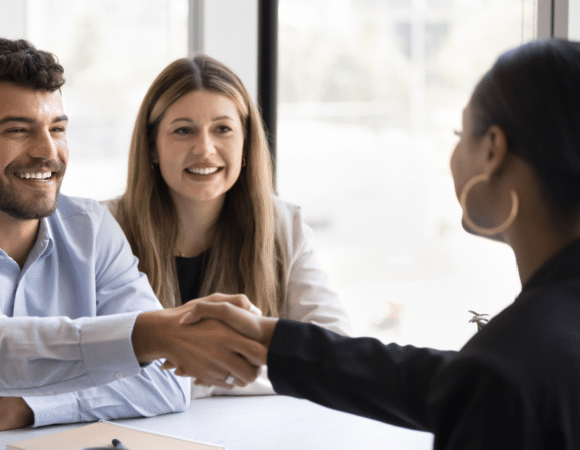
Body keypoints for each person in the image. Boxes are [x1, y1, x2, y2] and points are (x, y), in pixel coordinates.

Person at [0, 37, 263, 450]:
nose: (47, 151)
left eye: (57, 129)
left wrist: (30, 408)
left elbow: (165, 384)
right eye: (18, 130)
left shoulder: (90, 228)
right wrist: (151, 334)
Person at [180, 39, 580, 448]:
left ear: (493, 151)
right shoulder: (533, 349)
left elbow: (481, 383)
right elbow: (444, 381)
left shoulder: (506, 370)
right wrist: (270, 340)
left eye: (461, 133)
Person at [104, 54, 351, 397]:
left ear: (246, 144)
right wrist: (246, 366)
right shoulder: (103, 230)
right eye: (183, 131)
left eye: (222, 129)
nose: (204, 149)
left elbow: (335, 352)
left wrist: (189, 377)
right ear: (152, 147)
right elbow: (81, 367)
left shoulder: (284, 227)